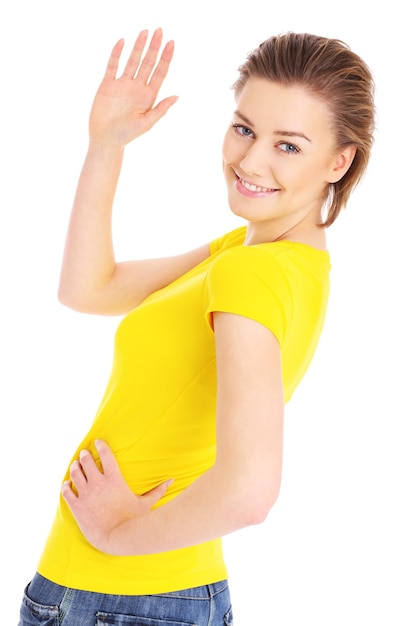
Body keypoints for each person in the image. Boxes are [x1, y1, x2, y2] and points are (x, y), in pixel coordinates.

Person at [18, 27, 375, 626]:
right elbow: (88, 288)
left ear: (339, 161)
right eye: (244, 128)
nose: (250, 160)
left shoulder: (251, 274)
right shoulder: (254, 256)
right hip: (140, 598)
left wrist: (113, 535)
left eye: (288, 145)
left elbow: (250, 490)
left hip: (120, 598)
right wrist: (106, 144)